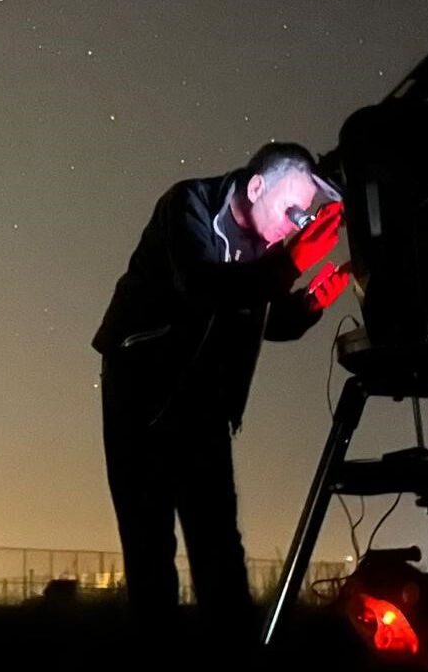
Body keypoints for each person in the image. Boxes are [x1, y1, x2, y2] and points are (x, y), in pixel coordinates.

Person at [94, 142, 355, 655]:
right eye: (293, 210)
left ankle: (236, 656)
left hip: (205, 402)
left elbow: (257, 316)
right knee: (149, 544)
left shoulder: (263, 246)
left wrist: (308, 305)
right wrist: (291, 262)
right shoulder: (188, 206)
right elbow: (203, 288)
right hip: (141, 390)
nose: (297, 224)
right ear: (256, 186)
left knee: (219, 546)